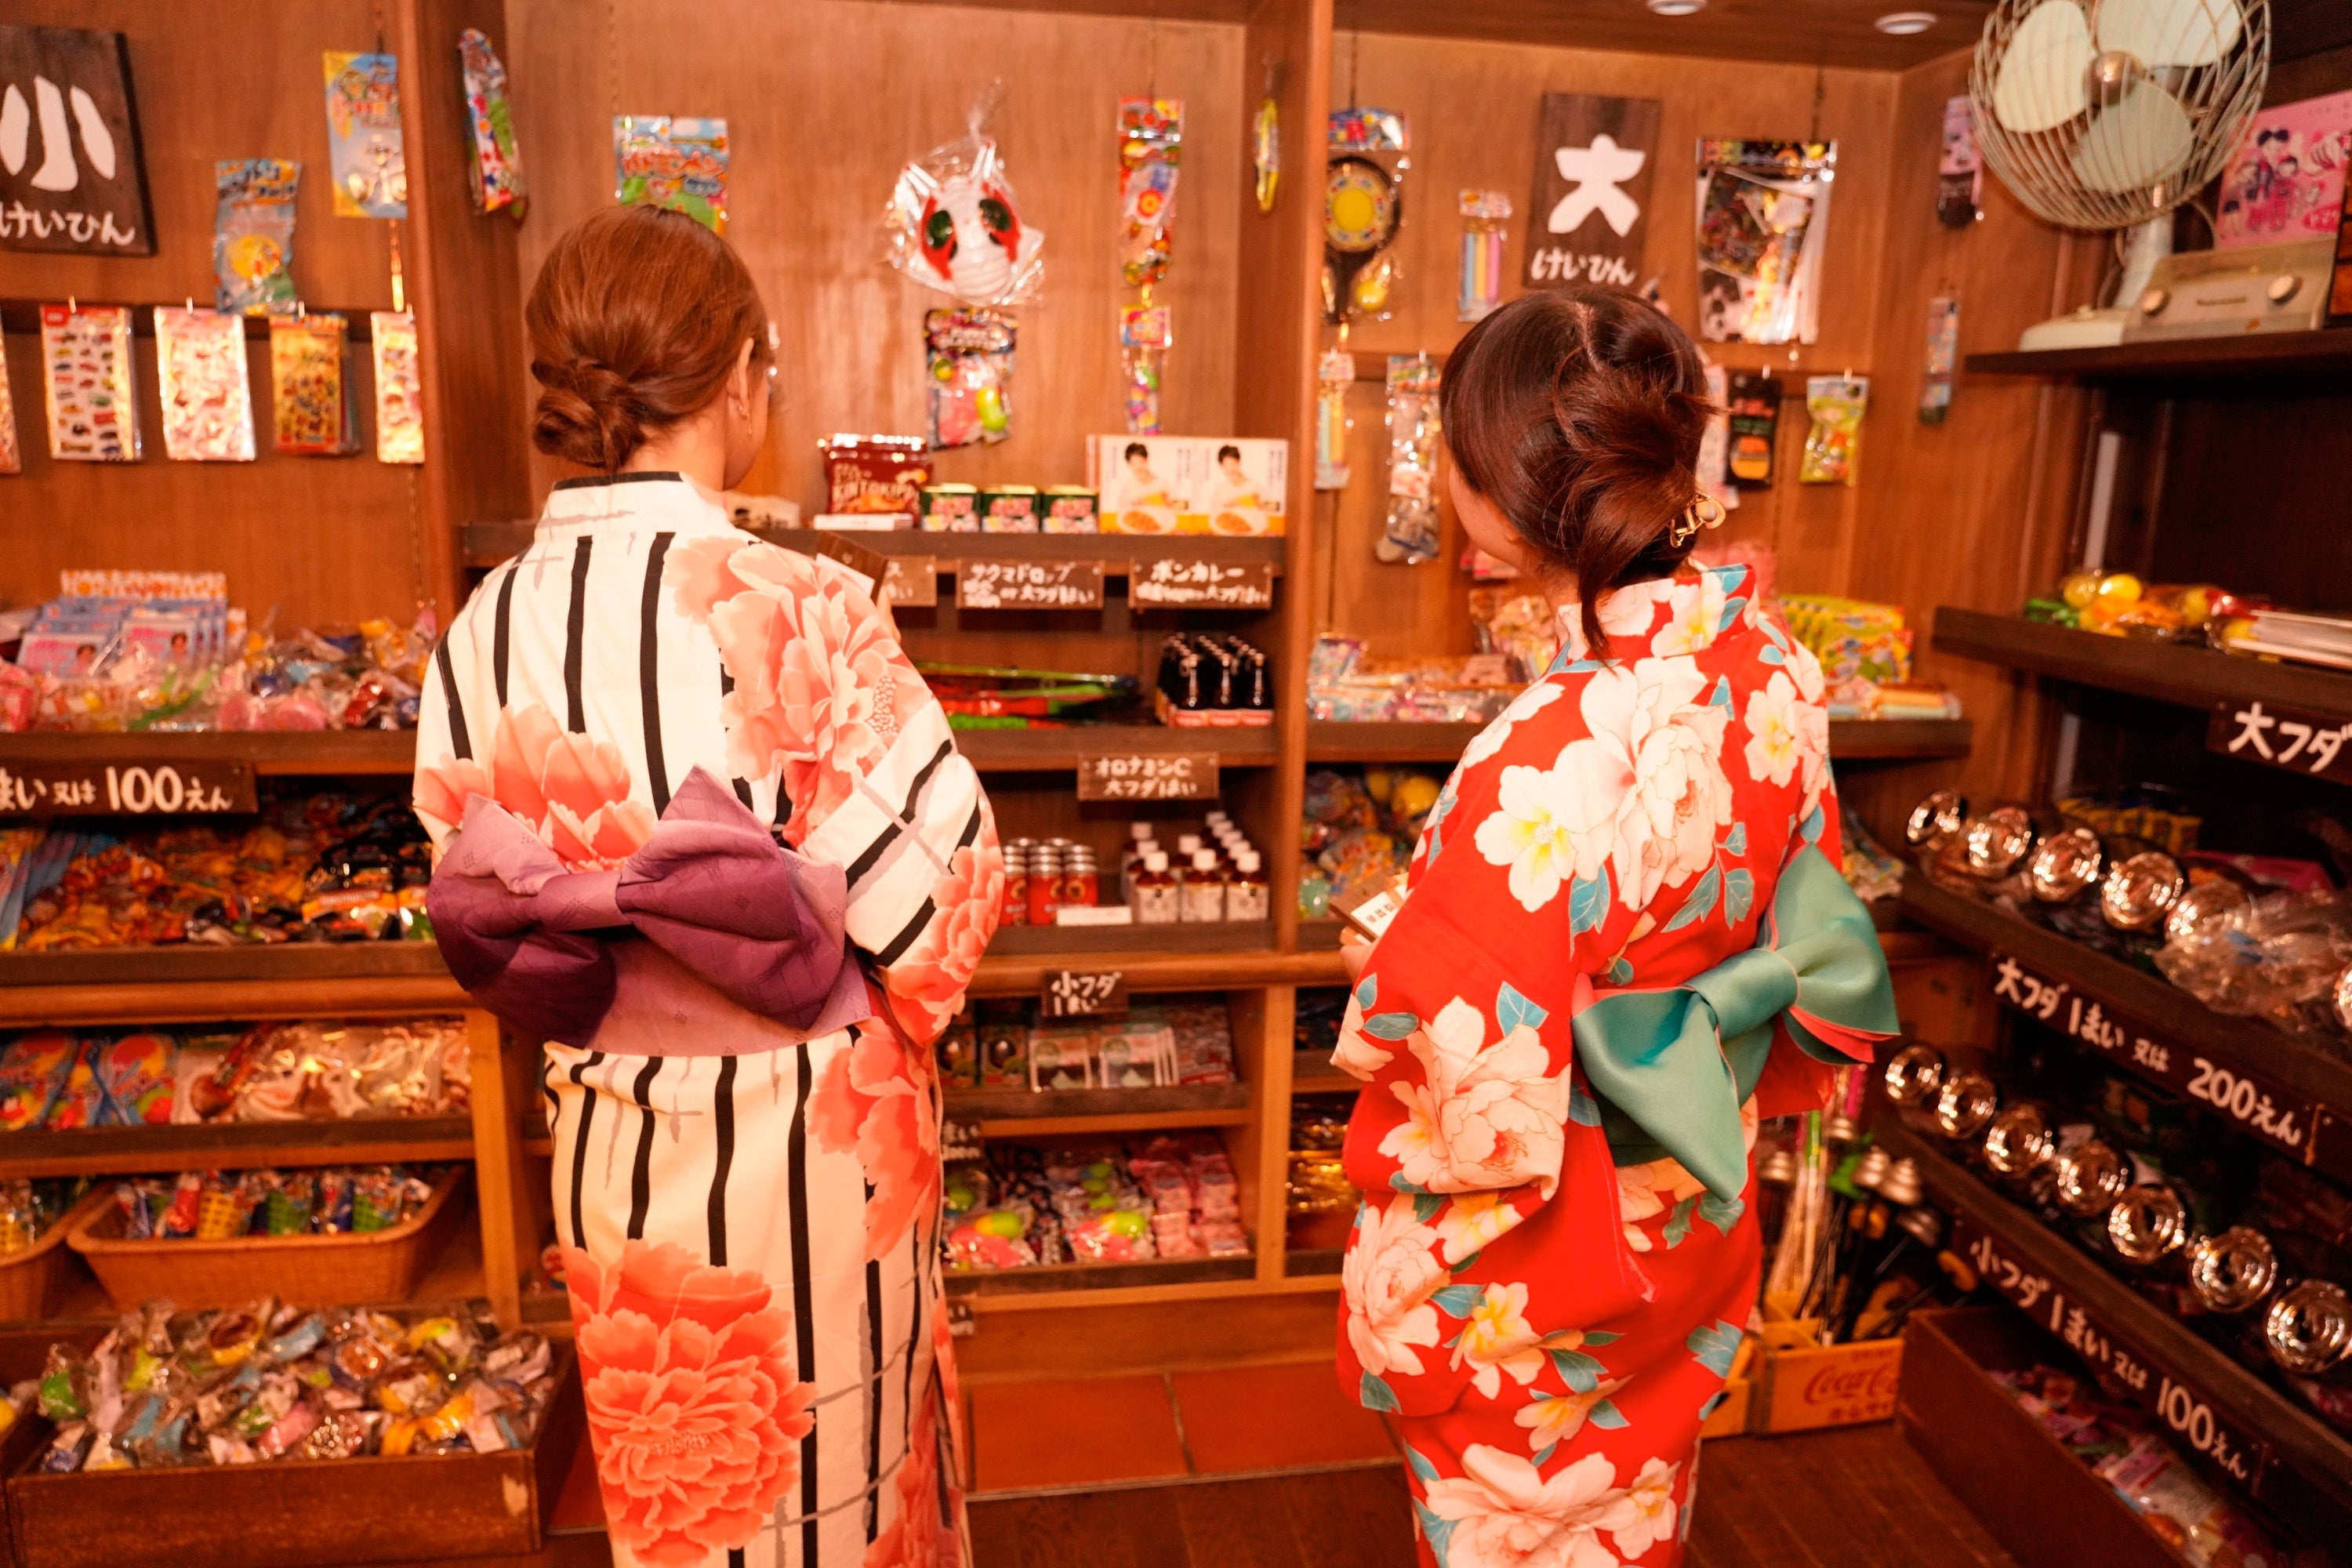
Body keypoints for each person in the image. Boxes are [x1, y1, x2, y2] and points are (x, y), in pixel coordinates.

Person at [412, 204, 1001, 1568]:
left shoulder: (481, 628)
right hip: (808, 1138)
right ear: (740, 375)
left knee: (682, 1487)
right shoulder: (796, 603)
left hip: (612, 1136)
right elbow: (944, 900)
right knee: (839, 1483)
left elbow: (476, 890)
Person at [1329, 289, 1895, 1567]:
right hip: (1689, 1191)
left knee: (1525, 1530)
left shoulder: (1547, 749)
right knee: (1640, 1508)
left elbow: (1467, 1065)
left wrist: (1384, 967)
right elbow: (1794, 906)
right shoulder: (1771, 663)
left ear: (1494, 488)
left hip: (1553, 1246)